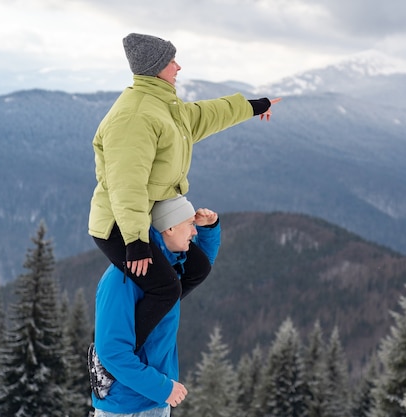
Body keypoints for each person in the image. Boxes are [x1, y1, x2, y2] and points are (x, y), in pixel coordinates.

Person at [88, 32, 281, 350]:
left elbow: (206, 116)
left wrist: (253, 106)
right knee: (164, 288)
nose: (178, 67)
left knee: (196, 267)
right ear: (155, 68)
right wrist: (136, 242)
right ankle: (112, 355)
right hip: (119, 226)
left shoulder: (162, 107)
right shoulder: (135, 117)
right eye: (171, 61)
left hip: (139, 216)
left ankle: (145, 331)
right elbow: (127, 185)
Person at [89, 195, 220, 416]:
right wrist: (163, 388)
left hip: (155, 401)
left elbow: (201, 265)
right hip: (126, 407)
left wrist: (210, 229)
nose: (194, 231)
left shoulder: (168, 269)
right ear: (169, 228)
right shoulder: (120, 280)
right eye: (190, 224)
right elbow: (112, 351)